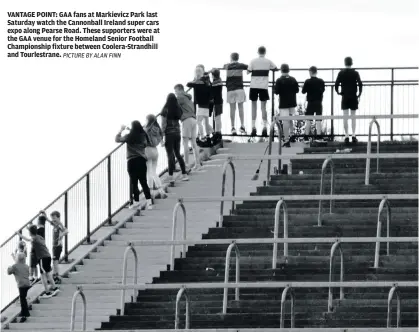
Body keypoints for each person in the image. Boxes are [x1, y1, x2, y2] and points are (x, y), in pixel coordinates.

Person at [115, 121, 153, 210]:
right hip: (141, 160)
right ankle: (149, 202)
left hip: (131, 161)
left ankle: (136, 201)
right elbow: (147, 143)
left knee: (134, 182)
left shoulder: (129, 136)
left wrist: (121, 130)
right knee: (143, 181)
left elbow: (117, 139)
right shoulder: (143, 136)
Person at [17, 225, 60, 299]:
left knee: (43, 275)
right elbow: (33, 235)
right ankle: (54, 288)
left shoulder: (34, 239)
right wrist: (29, 229)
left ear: (30, 233)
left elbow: (28, 239)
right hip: (48, 256)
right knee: (48, 272)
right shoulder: (39, 237)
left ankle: (48, 291)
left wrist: (19, 234)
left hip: (42, 258)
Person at [248, 46, 278, 137]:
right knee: (263, 107)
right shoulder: (268, 61)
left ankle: (253, 127)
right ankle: (265, 127)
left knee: (254, 106)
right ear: (265, 52)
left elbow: (248, 71)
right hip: (263, 86)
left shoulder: (253, 61)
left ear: (258, 52)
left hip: (253, 85)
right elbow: (276, 68)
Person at [161, 93, 189, 184]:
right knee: (178, 154)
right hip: (177, 133)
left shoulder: (165, 110)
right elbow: (181, 117)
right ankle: (184, 174)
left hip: (169, 134)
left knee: (170, 155)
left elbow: (163, 125)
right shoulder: (178, 109)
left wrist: (161, 136)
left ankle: (171, 176)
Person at [334, 56, 363, 143]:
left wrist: (339, 92)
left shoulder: (341, 73)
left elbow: (336, 84)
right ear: (351, 63)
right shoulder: (355, 73)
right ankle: (353, 135)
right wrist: (359, 94)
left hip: (345, 96)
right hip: (353, 96)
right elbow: (360, 83)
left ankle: (346, 135)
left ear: (344, 63)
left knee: (345, 116)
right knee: (353, 116)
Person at [174, 84, 201, 171]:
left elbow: (172, 104)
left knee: (185, 142)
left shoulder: (180, 97)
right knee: (194, 143)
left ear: (179, 90)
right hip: (193, 119)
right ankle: (198, 164)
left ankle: (186, 165)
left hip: (186, 120)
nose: (175, 93)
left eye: (176, 91)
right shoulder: (189, 98)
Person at [274, 64, 299, 147]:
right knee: (291, 118)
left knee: (285, 122)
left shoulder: (279, 80)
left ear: (281, 70)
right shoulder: (293, 79)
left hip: (283, 103)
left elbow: (276, 91)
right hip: (292, 102)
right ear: (288, 70)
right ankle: (292, 135)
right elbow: (297, 90)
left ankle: (286, 140)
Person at [187, 66, 213, 145]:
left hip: (201, 105)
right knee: (206, 121)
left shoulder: (197, 84)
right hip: (207, 104)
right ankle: (209, 135)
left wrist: (194, 80)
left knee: (198, 122)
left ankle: (202, 136)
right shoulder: (207, 82)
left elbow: (188, 84)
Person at [223, 52, 248, 135]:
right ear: (238, 58)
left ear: (231, 58)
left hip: (230, 89)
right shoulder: (241, 65)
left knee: (232, 109)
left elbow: (224, 66)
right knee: (241, 108)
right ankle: (242, 126)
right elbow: (248, 67)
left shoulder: (227, 66)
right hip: (239, 88)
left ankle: (233, 127)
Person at [144, 114, 167, 198]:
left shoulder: (146, 130)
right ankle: (161, 191)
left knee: (149, 172)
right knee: (153, 172)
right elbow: (161, 142)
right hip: (155, 151)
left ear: (148, 120)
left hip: (147, 150)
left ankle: (150, 192)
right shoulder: (157, 129)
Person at [302, 66, 326, 142]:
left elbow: (303, 91)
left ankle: (306, 136)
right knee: (318, 119)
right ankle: (318, 136)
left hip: (310, 102)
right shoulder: (321, 81)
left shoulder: (307, 81)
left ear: (310, 72)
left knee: (308, 119)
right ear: (316, 72)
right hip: (319, 102)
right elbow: (323, 90)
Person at [7, 252, 31, 322]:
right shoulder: (26, 266)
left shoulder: (15, 266)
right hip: (27, 284)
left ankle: (25, 314)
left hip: (21, 285)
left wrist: (9, 267)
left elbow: (9, 272)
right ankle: (24, 311)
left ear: (17, 259)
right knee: (23, 298)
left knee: (22, 299)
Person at [48, 211, 68, 283]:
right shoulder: (55, 225)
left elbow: (66, 230)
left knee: (55, 261)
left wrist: (62, 235)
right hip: (54, 245)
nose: (53, 220)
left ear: (58, 218)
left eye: (54, 218)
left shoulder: (59, 225)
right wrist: (44, 214)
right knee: (54, 261)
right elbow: (49, 221)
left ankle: (56, 275)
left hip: (58, 246)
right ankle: (55, 274)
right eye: (52, 218)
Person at [210, 68, 223, 144]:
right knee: (217, 117)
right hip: (219, 101)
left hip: (217, 102)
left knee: (217, 118)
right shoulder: (219, 81)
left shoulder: (215, 83)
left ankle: (218, 132)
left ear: (212, 75)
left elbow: (213, 92)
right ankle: (218, 131)